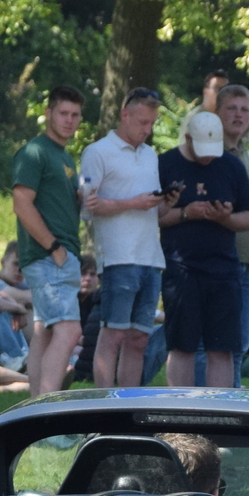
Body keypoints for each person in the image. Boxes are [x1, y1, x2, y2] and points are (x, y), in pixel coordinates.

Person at [156, 109, 249, 388]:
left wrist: (225, 218)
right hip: (181, 267)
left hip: (223, 267)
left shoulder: (231, 166)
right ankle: (180, 408)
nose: (208, 157)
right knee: (182, 345)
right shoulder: (166, 164)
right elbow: (154, 217)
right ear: (188, 138)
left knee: (222, 347)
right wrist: (186, 213)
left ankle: (218, 409)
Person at [80, 87, 165, 388]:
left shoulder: (151, 154)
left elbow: (150, 203)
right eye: (142, 122)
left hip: (150, 256)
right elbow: (88, 208)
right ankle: (103, 402)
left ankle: (129, 402)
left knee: (139, 337)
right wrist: (133, 203)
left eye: (152, 124)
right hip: (118, 255)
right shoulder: (98, 152)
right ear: (124, 115)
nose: (147, 130)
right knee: (113, 332)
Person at [10, 85, 86, 396]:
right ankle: (48, 410)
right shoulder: (34, 151)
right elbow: (21, 202)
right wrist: (54, 248)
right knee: (69, 331)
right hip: (48, 257)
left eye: (75, 115)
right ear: (48, 114)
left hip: (58, 257)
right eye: (63, 113)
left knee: (43, 332)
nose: (69, 120)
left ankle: (33, 409)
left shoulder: (64, 156)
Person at [213, 83, 249, 367]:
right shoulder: (209, 151)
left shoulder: (244, 151)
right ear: (217, 112)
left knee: (240, 343)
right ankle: (203, 405)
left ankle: (231, 403)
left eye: (245, 109)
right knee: (212, 343)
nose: (238, 115)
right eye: (231, 108)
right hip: (219, 258)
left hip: (247, 258)